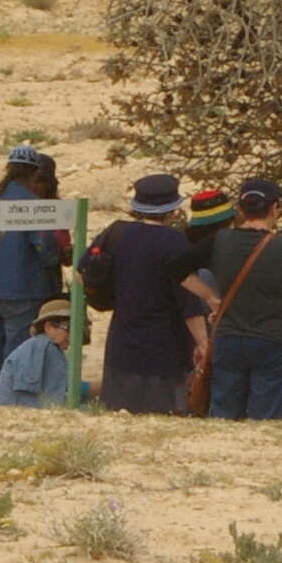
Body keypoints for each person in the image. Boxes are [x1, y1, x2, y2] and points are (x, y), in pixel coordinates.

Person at [81, 172, 211, 413]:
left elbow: (82, 271)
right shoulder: (174, 243)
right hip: (164, 353)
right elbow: (189, 304)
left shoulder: (116, 233)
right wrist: (204, 344)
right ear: (172, 209)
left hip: (120, 348)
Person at [185, 176, 282, 420]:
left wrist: (210, 297)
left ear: (241, 210)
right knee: (264, 420)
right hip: (273, 341)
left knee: (223, 416)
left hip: (229, 337)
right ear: (275, 208)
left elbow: (175, 269)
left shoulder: (219, 242)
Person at [0, 145, 69, 403]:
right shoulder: (33, 206)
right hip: (25, 290)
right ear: (35, 174)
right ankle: (8, 406)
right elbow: (46, 251)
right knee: (18, 353)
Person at [0, 298, 77, 409]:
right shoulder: (47, 348)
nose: (72, 336)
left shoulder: (35, 347)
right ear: (49, 328)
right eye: (69, 329)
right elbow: (52, 402)